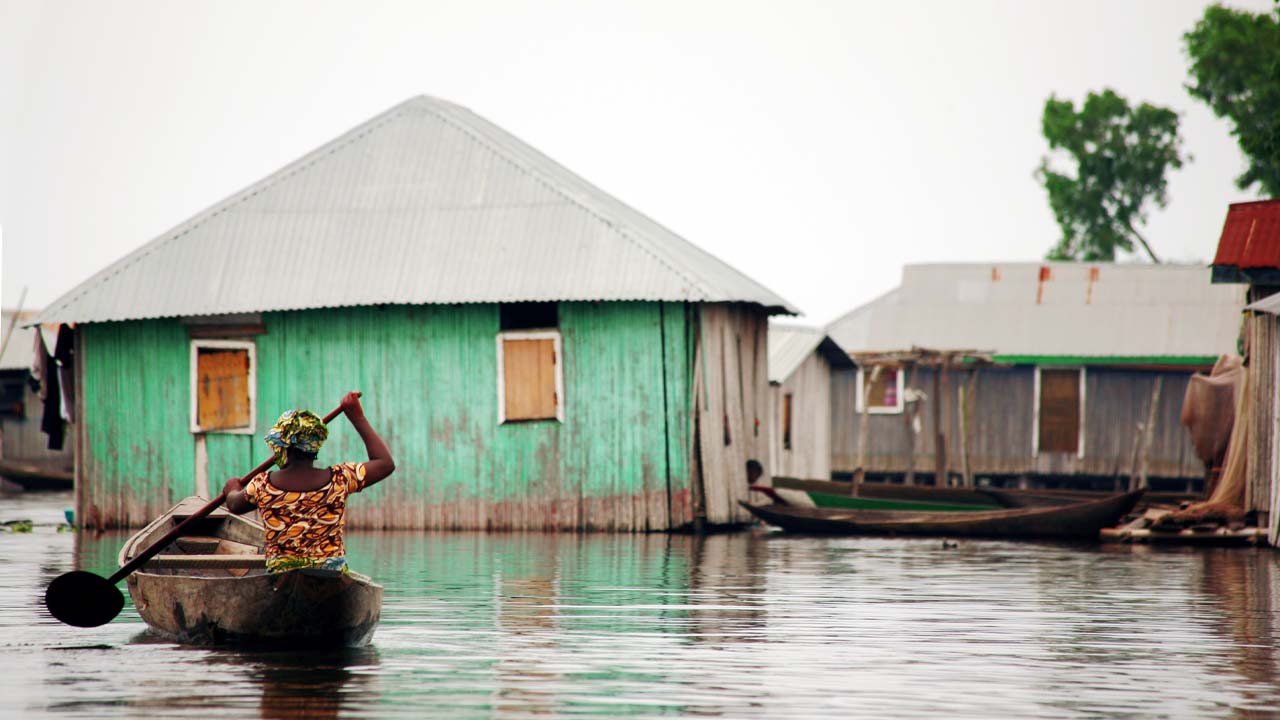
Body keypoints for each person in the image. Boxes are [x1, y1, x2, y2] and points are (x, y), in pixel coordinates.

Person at [223, 391, 395, 573]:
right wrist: (357, 417)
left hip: (282, 573)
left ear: (283, 447)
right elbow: (385, 463)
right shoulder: (340, 479)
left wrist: (232, 488)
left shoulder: (262, 485)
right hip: (331, 573)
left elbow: (234, 504)